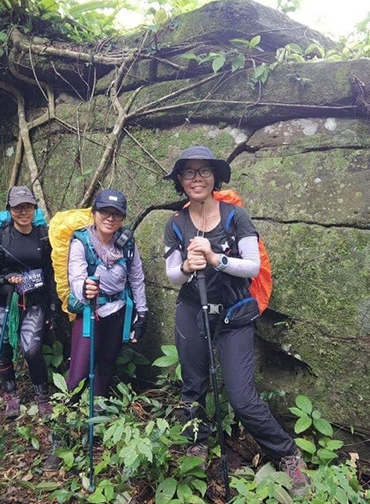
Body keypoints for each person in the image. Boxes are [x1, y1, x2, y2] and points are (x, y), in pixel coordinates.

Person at [162, 146, 311, 495]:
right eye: (189, 173)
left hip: (233, 313)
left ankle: (288, 454)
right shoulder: (176, 223)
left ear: (215, 177)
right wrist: (186, 267)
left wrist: (215, 258)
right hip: (192, 310)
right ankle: (197, 443)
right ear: (180, 181)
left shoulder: (235, 217)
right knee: (193, 385)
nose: (196, 179)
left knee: (243, 397)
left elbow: (252, 266)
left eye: (204, 172)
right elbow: (171, 274)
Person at [0, 186, 59, 419]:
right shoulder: (0, 238)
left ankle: (42, 397)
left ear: (34, 208)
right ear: (10, 209)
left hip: (34, 301)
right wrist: (6, 279)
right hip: (3, 303)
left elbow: (51, 273)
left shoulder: (43, 236)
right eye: (17, 207)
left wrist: (53, 308)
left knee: (32, 350)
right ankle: (11, 396)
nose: (23, 211)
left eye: (28, 206)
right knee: (3, 350)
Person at [65, 189, 148, 396]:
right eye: (104, 212)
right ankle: (69, 408)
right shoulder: (81, 242)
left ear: (122, 218)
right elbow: (76, 276)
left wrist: (142, 313)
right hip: (90, 312)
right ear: (94, 213)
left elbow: (136, 277)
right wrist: (84, 288)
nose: (110, 218)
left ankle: (99, 404)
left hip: (119, 311)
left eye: (117, 214)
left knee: (107, 363)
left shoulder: (127, 243)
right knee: (80, 369)